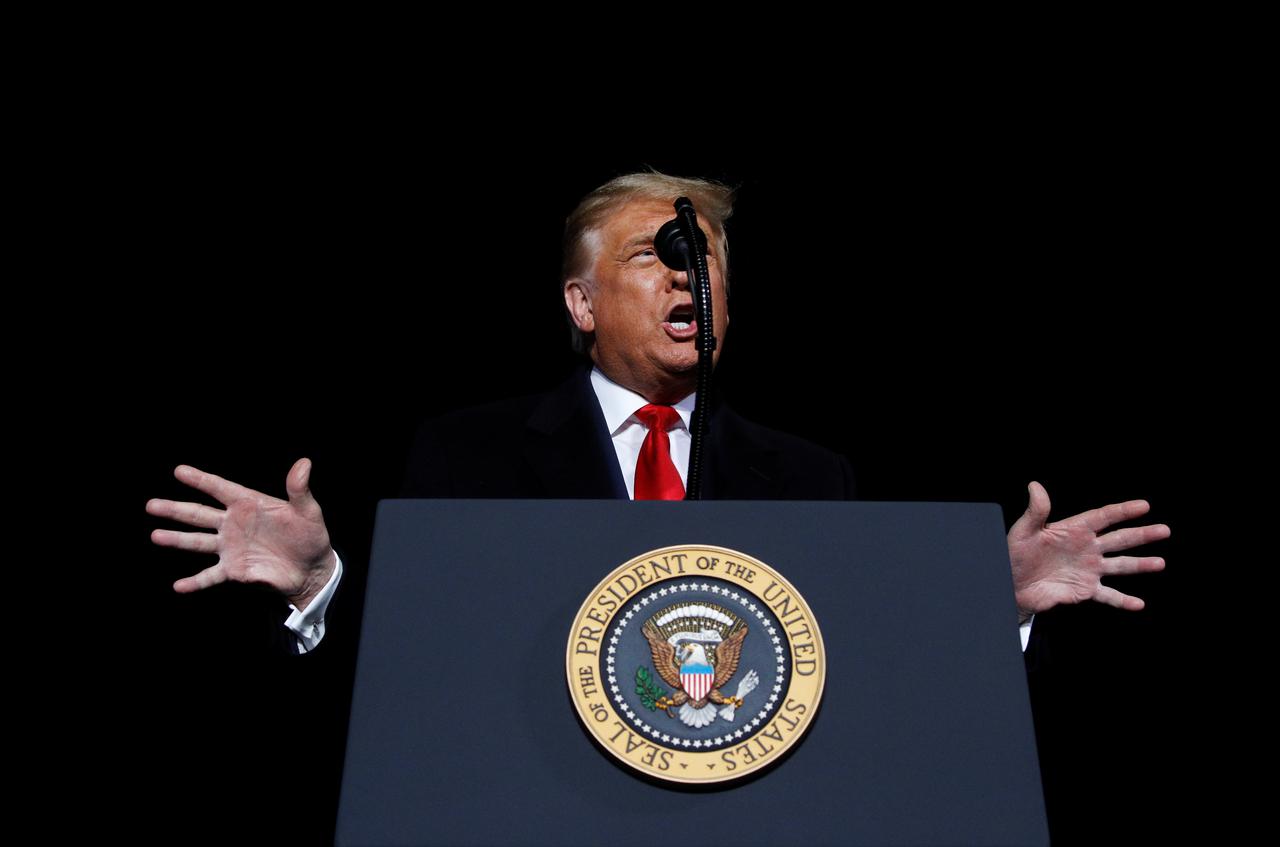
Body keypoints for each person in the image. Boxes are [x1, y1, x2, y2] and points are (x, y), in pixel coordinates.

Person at [146, 170, 1170, 658]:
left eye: (706, 260)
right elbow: (421, 658)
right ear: (579, 304)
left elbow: (855, 671)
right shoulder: (467, 451)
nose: (690, 278)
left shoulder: (811, 475)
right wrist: (321, 580)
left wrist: (987, 610)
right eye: (656, 256)